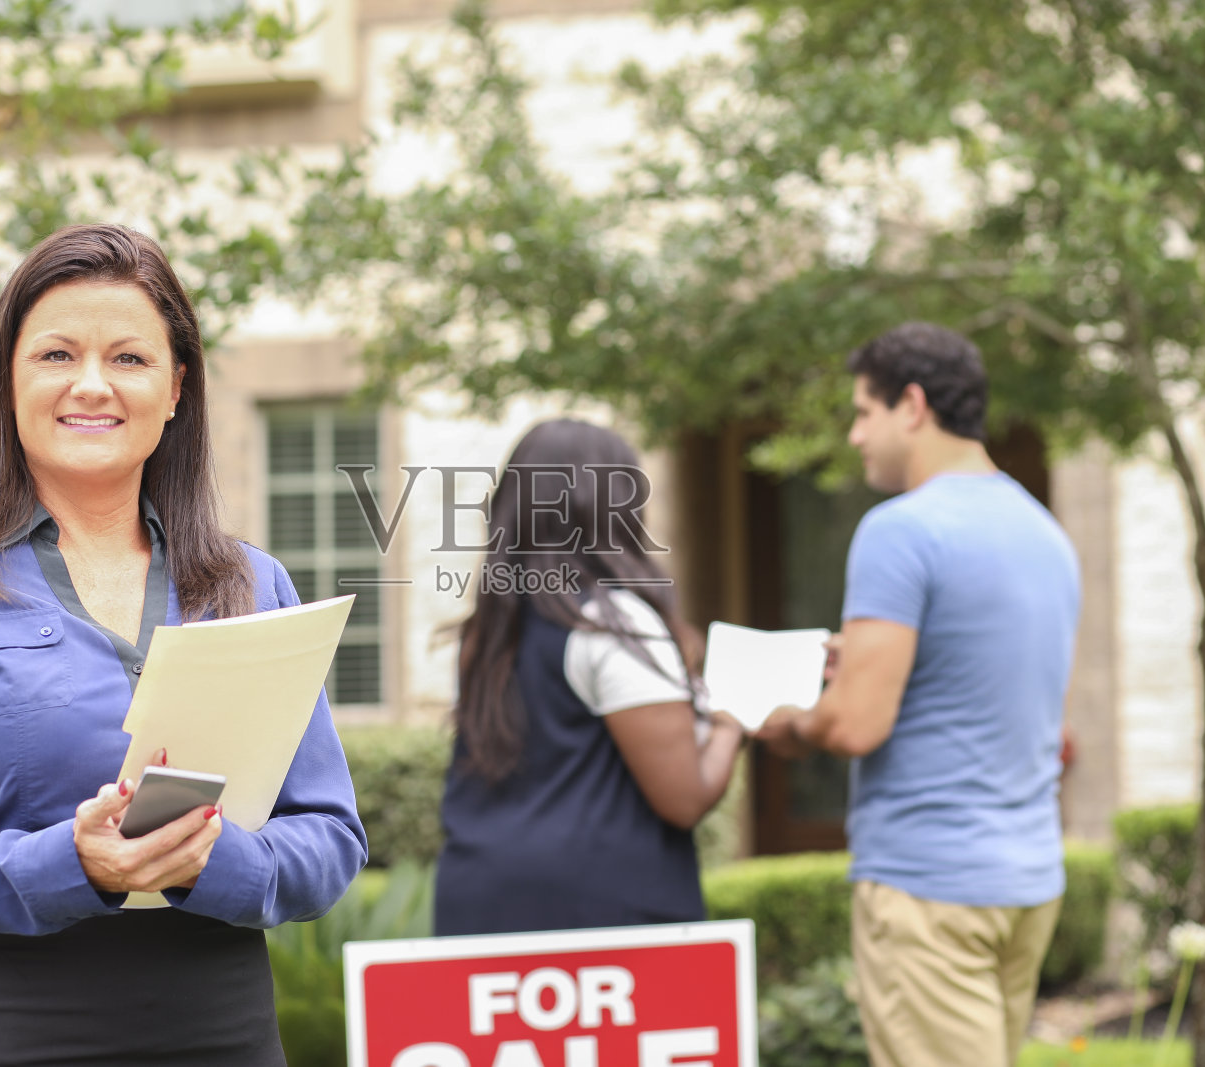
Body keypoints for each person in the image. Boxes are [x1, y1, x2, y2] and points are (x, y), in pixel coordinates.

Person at [0, 224, 368, 1066]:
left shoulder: (251, 583)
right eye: (55, 355)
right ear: (8, 379)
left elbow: (331, 838)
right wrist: (70, 864)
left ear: (177, 386)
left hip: (220, 1031)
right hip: (3, 1028)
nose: (92, 385)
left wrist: (212, 862)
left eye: (128, 357)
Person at [758, 322, 1080, 1067]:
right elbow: (987, 676)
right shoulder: (1044, 532)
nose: (853, 435)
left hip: (931, 887)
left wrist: (789, 722)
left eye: (862, 412)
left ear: (911, 404)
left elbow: (856, 726)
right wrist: (872, 657)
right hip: (1027, 880)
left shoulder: (899, 531)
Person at [434, 419, 744, 936]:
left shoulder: (484, 638)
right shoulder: (613, 623)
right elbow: (684, 798)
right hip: (600, 925)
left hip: (480, 911)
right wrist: (734, 722)